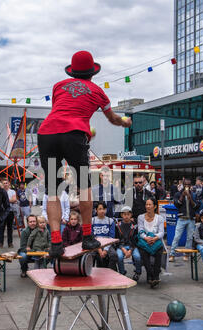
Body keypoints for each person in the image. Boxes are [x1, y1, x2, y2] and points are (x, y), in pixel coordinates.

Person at [37, 50, 132, 258]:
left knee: (52, 189)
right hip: (73, 134)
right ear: (92, 72)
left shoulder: (58, 86)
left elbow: (60, 111)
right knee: (84, 186)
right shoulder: (98, 91)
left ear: (72, 72)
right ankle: (88, 237)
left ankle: (55, 243)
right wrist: (125, 122)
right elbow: (113, 119)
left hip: (46, 133)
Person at [169, 179, 200, 262]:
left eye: (188, 184)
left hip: (191, 219)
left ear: (191, 185)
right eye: (185, 184)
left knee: (189, 238)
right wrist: (182, 196)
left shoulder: (193, 194)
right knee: (176, 237)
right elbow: (177, 205)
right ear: (183, 184)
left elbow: (196, 207)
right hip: (181, 218)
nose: (187, 186)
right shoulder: (178, 194)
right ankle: (172, 254)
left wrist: (190, 199)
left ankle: (186, 254)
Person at [137, 197, 164, 287]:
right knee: (144, 253)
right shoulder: (140, 217)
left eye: (150, 204)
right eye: (147, 204)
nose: (148, 206)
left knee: (159, 253)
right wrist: (146, 238)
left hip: (156, 241)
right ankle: (150, 275)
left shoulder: (159, 218)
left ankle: (155, 276)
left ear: (155, 206)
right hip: (145, 241)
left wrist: (154, 238)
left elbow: (161, 232)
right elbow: (140, 231)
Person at [115, 206, 142, 279]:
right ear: (121, 215)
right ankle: (122, 272)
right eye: (124, 214)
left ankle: (137, 272)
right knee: (119, 257)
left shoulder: (135, 226)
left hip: (132, 246)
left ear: (131, 215)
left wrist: (130, 250)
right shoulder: (117, 225)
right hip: (121, 246)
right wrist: (123, 249)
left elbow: (136, 240)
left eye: (128, 214)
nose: (126, 216)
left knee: (137, 257)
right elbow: (116, 240)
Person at [92, 201, 118, 271]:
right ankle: (90, 274)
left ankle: (111, 273)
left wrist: (105, 250)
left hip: (107, 244)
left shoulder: (110, 221)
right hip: (95, 245)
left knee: (114, 255)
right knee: (90, 255)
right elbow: (92, 237)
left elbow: (111, 237)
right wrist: (99, 249)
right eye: (100, 209)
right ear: (96, 210)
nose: (102, 211)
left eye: (104, 209)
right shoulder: (92, 221)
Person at [1, 179, 18, 248]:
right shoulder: (0, 191)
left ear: (9, 184)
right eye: (4, 183)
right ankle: (0, 242)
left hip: (10, 211)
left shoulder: (12, 191)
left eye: (6, 183)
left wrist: (4, 201)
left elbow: (14, 199)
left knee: (10, 228)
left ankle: (10, 242)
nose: (5, 184)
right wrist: (9, 200)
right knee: (1, 228)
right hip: (2, 212)